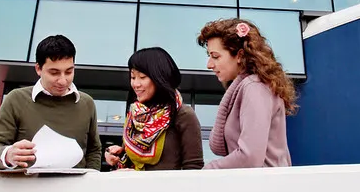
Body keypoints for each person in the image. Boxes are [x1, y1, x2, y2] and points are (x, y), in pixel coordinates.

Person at [0, 34, 102, 170]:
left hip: (73, 189)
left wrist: (91, 180)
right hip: (25, 188)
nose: (63, 81)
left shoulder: (87, 103)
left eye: (69, 72)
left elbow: (94, 150)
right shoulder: (16, 99)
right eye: (54, 73)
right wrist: (8, 155)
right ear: (38, 69)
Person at [197, 18, 296, 169]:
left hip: (264, 188)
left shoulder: (255, 87)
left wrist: (207, 171)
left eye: (215, 56)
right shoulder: (253, 86)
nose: (209, 64)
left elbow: (250, 157)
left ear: (240, 55)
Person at [104, 47, 203, 171]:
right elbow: (133, 163)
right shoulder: (135, 115)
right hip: (132, 189)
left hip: (167, 189)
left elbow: (193, 167)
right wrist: (117, 155)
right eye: (133, 77)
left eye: (142, 77)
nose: (136, 84)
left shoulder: (183, 114)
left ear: (160, 78)